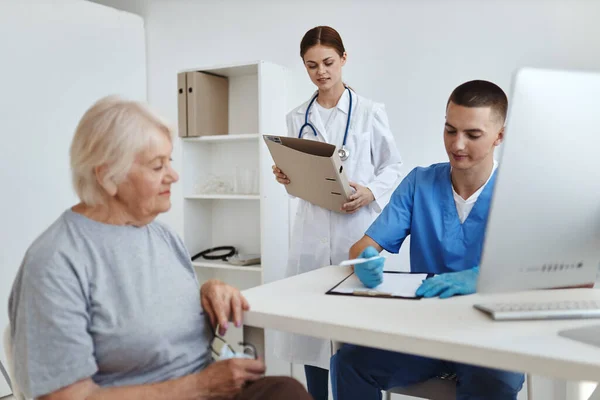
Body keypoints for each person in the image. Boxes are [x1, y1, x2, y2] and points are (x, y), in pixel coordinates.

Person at [8, 96, 311, 400]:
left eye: (170, 161)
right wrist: (200, 386)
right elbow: (66, 398)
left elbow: (153, 313)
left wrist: (207, 291)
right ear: (107, 177)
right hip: (188, 391)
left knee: (287, 391)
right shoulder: (54, 263)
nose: (173, 176)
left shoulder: (160, 235)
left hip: (209, 388)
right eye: (157, 166)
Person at [331, 80, 525, 399]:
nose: (457, 144)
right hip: (423, 331)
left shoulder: (518, 191)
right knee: (349, 363)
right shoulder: (420, 182)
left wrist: (485, 280)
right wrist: (365, 260)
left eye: (473, 135)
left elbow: (542, 277)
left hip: (492, 337)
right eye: (450, 130)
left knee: (492, 384)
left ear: (499, 136)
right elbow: (364, 246)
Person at [272, 26, 403, 400]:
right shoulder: (297, 116)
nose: (321, 72)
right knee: (312, 334)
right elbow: (299, 177)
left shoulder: (369, 112)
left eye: (328, 62)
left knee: (354, 332)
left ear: (343, 59)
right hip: (312, 234)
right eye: (311, 65)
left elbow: (393, 166)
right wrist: (286, 176)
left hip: (353, 231)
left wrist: (370, 192)